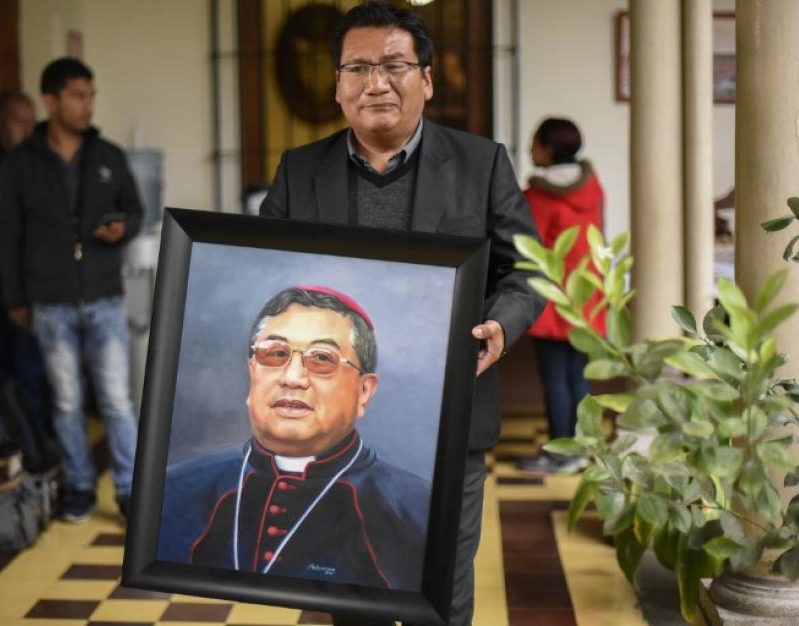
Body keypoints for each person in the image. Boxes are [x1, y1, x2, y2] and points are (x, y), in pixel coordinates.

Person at [259, 2, 545, 624]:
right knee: (350, 587)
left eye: (394, 65)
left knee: (440, 593)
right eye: (357, 67)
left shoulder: (481, 163)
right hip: (338, 428)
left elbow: (528, 271)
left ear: (427, 80)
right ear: (337, 85)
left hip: (449, 413)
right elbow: (270, 281)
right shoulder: (299, 171)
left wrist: (499, 324)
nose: (376, 82)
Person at [159, 286, 431, 591]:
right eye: (275, 354)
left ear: (364, 392)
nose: (293, 378)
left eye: (322, 359)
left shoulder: (416, 509)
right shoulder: (174, 488)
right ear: (252, 370)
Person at [0, 57, 143, 522]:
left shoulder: (109, 156)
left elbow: (135, 211)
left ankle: (128, 490)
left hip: (103, 295)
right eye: (79, 96)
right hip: (50, 302)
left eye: (91, 95)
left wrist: (124, 229)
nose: (88, 105)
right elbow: (6, 235)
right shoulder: (21, 165)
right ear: (51, 101)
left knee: (117, 399)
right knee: (66, 401)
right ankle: (79, 487)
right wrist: (15, 299)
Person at [518, 117, 606, 475]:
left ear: (549, 148)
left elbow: (528, 246)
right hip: (588, 292)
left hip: (555, 293)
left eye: (535, 142)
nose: (530, 149)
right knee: (578, 375)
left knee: (554, 376)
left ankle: (559, 455)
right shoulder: (593, 187)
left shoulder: (536, 196)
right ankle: (581, 449)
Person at [0, 91, 51, 433]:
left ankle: (43, 444)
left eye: (31, 122)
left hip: (41, 288)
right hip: (3, 291)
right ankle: (27, 445)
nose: (26, 129)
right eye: (18, 121)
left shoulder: (31, 162)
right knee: (18, 369)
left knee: (42, 370)